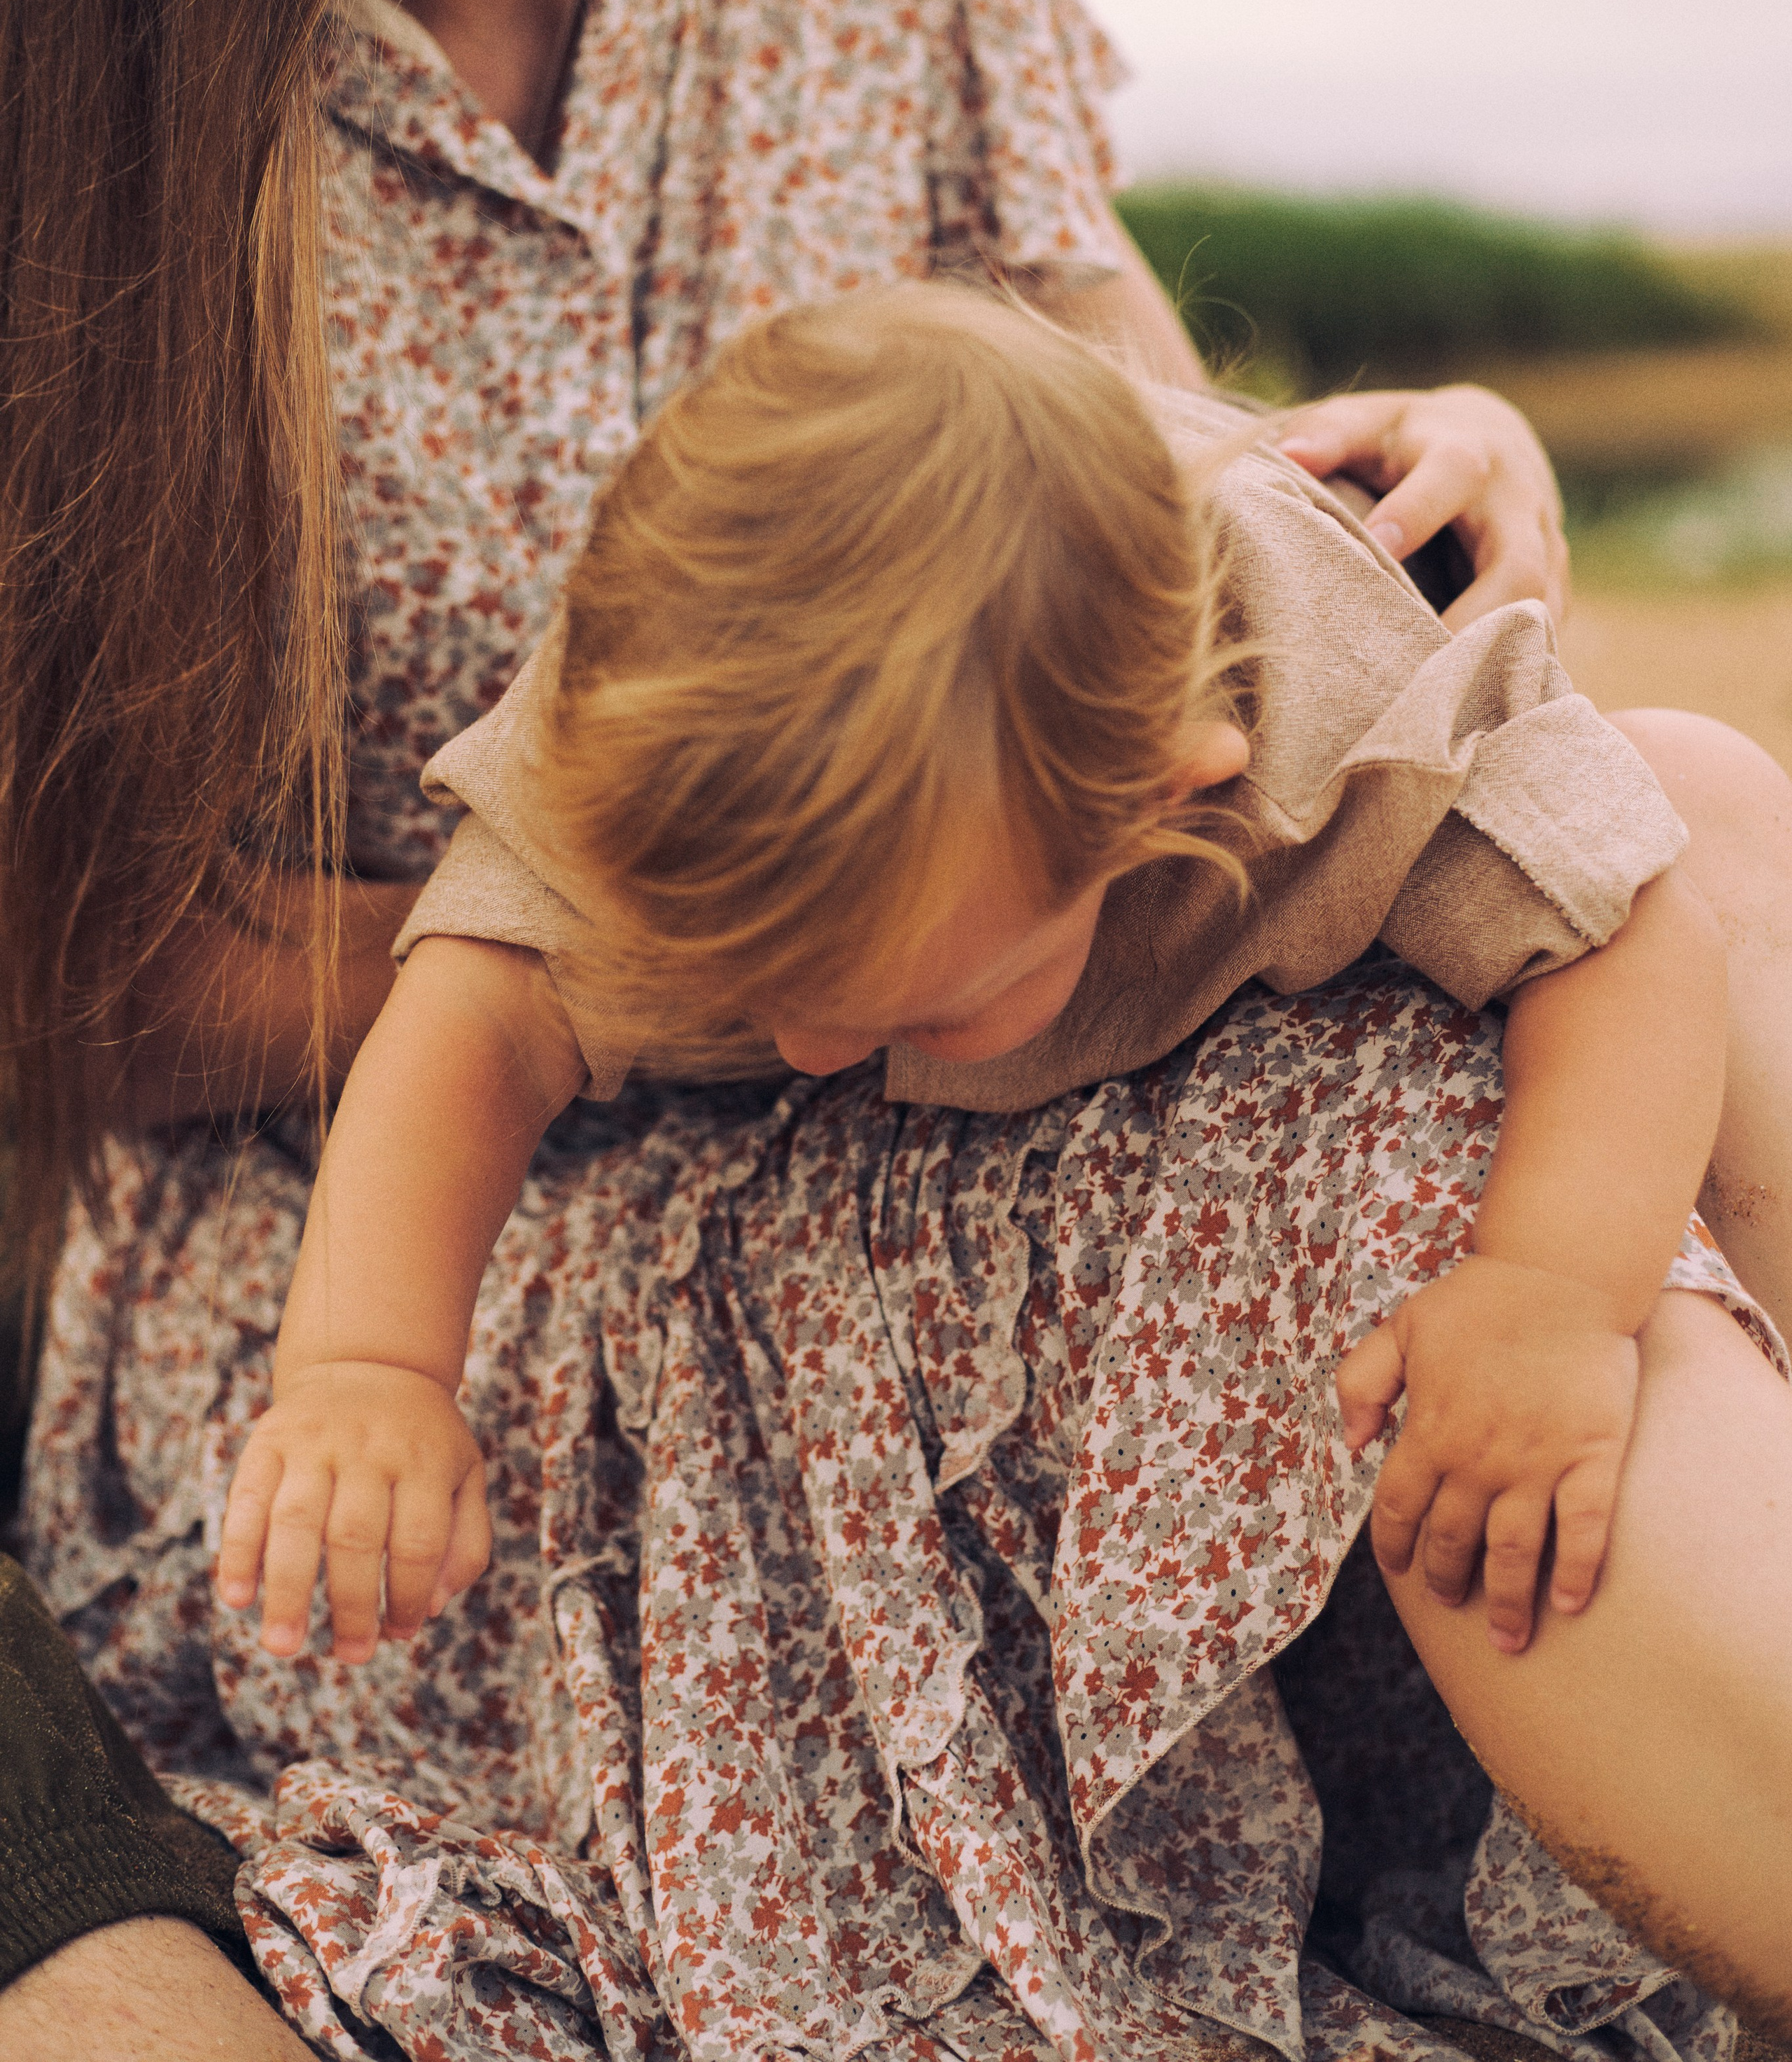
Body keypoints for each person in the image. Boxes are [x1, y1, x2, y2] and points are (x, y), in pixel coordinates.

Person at [3, 0, 1791, 2054]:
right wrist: (730, 945)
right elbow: (74, 968)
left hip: (1024, 1010)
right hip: (439, 1204)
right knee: (1390, 1163)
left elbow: (1139, 483)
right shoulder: (82, 71)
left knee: (1630, 902)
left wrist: (1394, 494)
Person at [218, 285, 1725, 1682]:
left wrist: (1546, 1292)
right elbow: (479, 1014)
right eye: (742, 989)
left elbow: (1625, 930)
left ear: (1165, 796)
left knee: (1704, 803)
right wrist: (367, 1364)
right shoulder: (655, 727)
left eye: (925, 1005)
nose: (806, 1052)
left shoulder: (1353, 692)